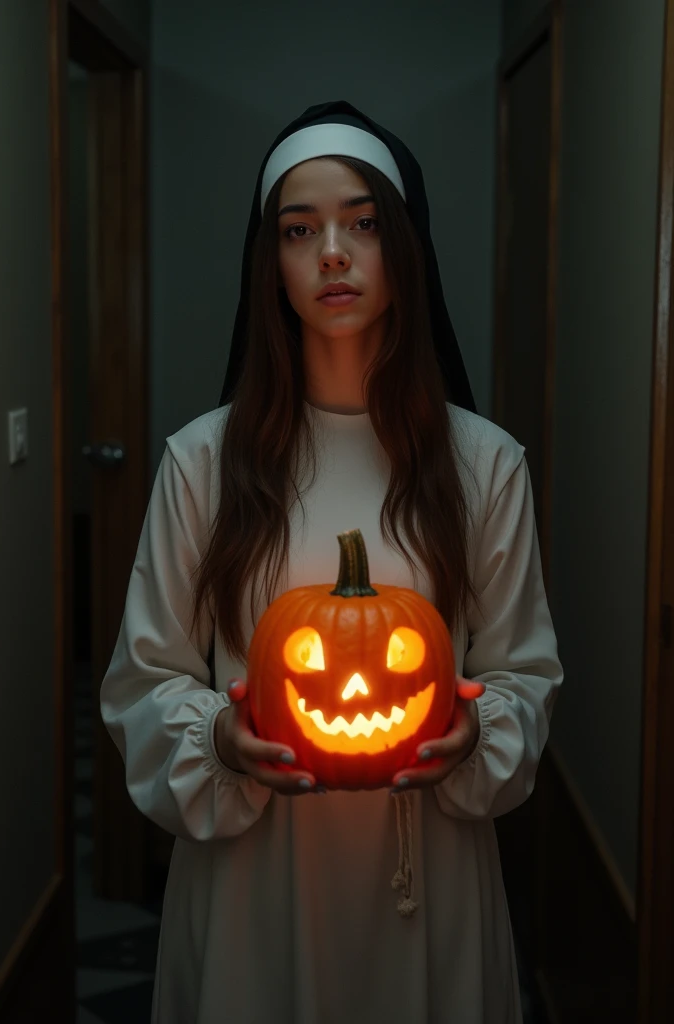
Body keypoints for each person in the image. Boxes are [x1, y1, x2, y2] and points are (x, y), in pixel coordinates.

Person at [100, 100, 563, 1024]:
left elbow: (522, 673)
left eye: (361, 224)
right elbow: (145, 680)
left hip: (425, 877)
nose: (334, 255)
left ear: (405, 248)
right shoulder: (202, 462)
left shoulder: (484, 465)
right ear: (270, 265)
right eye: (299, 230)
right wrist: (219, 743)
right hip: (252, 885)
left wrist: (480, 734)